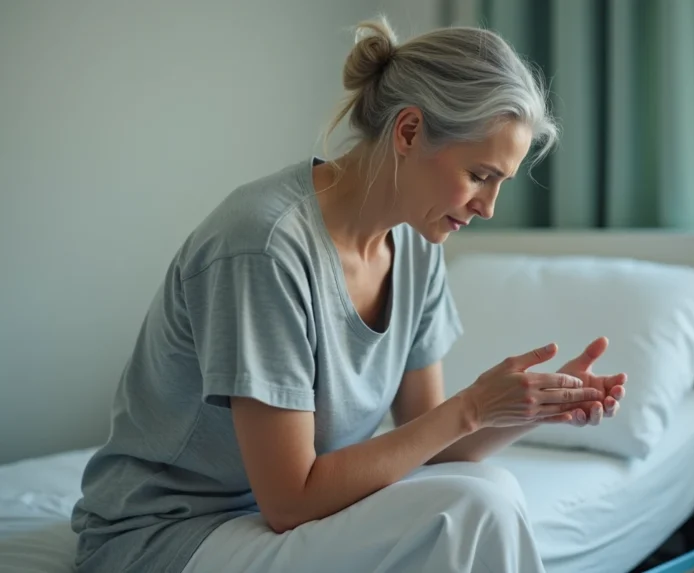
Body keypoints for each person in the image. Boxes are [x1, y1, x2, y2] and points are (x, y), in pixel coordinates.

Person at [71, 16, 626, 573]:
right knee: (477, 507)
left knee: (487, 488)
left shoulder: (418, 245)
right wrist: (473, 406)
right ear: (409, 131)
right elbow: (290, 500)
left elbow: (428, 442)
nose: (489, 207)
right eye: (480, 175)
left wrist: (533, 407)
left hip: (287, 519)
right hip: (166, 535)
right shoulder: (264, 246)